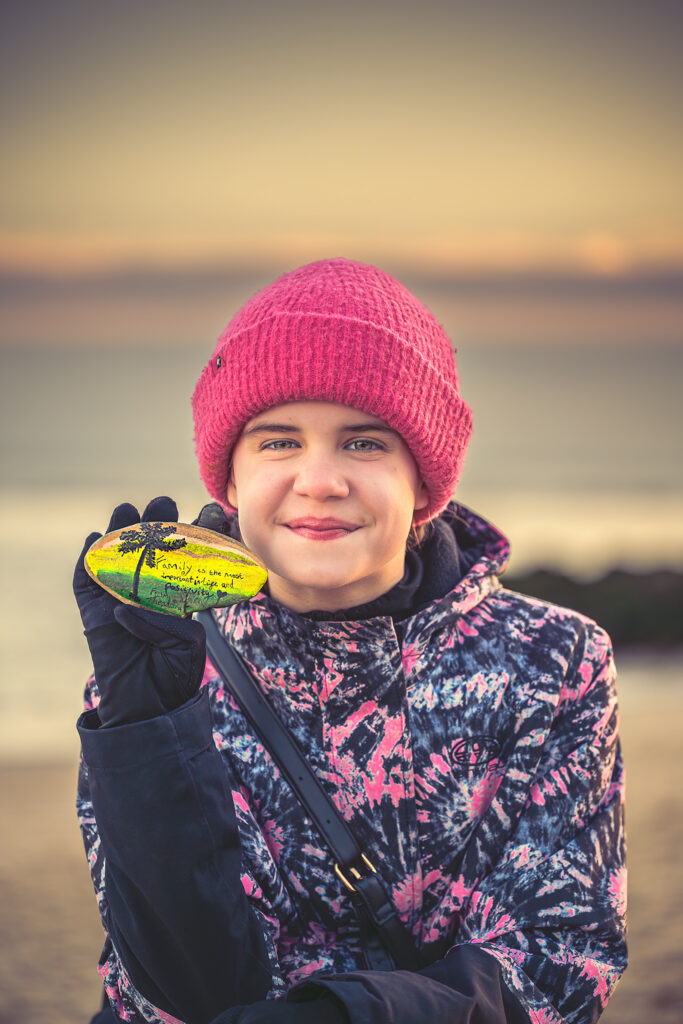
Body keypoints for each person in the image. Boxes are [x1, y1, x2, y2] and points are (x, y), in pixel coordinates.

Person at [73, 258, 627, 1024]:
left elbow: (562, 961)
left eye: (363, 444)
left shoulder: (552, 663)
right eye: (277, 442)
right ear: (228, 480)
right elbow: (158, 990)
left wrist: (342, 1018)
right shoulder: (156, 674)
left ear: (425, 482)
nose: (320, 479)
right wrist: (146, 732)